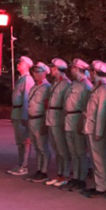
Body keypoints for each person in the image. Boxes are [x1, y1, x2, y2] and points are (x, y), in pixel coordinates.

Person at [82, 61, 106, 197]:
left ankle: (101, 187)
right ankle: (96, 184)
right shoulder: (97, 87)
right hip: (91, 126)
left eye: (91, 71)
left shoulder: (104, 89)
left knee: (100, 159)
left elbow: (102, 112)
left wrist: (99, 132)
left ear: (95, 72)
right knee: (95, 159)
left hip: (96, 128)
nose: (90, 74)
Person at [62, 58, 93, 191]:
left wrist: (82, 123)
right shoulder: (74, 84)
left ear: (77, 69)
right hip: (69, 118)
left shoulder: (86, 85)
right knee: (73, 151)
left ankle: (82, 179)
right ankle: (75, 177)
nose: (71, 70)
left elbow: (86, 106)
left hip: (77, 118)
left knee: (80, 151)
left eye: (73, 68)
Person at [45, 59, 72, 187]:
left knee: (62, 149)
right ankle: (59, 173)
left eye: (52, 67)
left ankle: (65, 174)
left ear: (57, 69)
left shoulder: (66, 83)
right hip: (51, 117)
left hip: (58, 118)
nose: (50, 70)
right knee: (56, 149)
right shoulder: (55, 83)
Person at [7, 56, 35, 176]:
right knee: (19, 141)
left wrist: (25, 117)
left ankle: (24, 166)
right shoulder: (21, 79)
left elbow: (27, 99)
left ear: (27, 65)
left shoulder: (27, 80)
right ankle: (20, 164)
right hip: (16, 113)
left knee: (24, 141)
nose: (18, 65)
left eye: (21, 63)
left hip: (21, 113)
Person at [27, 62, 52, 182]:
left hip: (40, 119)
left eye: (37, 72)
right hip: (32, 119)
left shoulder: (47, 88)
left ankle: (44, 171)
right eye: (34, 72)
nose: (34, 74)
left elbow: (47, 107)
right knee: (36, 147)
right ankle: (38, 170)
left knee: (42, 147)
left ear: (44, 73)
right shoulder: (35, 86)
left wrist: (44, 123)